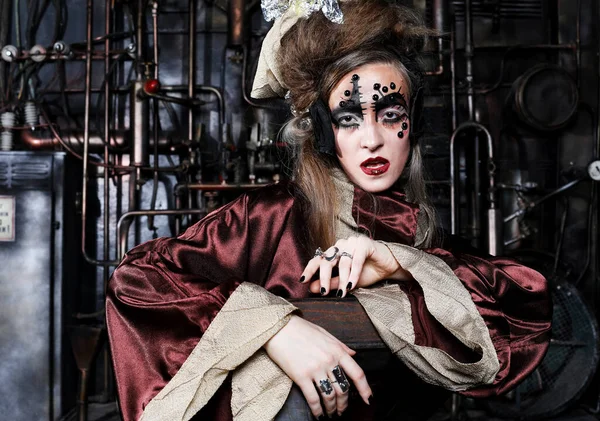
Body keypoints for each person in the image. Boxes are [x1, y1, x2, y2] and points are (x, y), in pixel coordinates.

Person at [106, 1, 552, 420]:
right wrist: (277, 329)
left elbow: (520, 310)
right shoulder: (269, 216)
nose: (372, 139)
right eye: (349, 118)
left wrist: (399, 264)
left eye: (390, 113)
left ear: (412, 123)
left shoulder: (415, 229)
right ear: (322, 130)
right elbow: (136, 280)